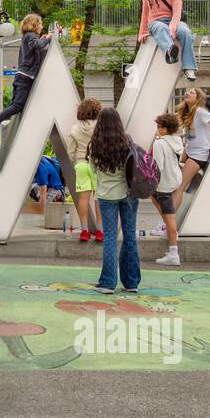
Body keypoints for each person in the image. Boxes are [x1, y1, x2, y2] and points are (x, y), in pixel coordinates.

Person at [89, 108, 140, 294]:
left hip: (106, 194)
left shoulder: (95, 144)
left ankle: (108, 283)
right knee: (130, 235)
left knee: (110, 237)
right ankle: (131, 282)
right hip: (128, 194)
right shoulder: (127, 141)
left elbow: (93, 170)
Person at [0, 14, 52, 131]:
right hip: (25, 77)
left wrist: (41, 39)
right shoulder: (30, 36)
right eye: (40, 23)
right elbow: (37, 45)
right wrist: (47, 38)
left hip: (21, 75)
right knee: (17, 106)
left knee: (14, 105)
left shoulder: (27, 37)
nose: (42, 26)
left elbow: (34, 47)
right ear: (34, 24)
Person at [137, 0, 197, 82]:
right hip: (156, 22)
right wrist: (142, 33)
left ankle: (189, 68)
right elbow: (145, 14)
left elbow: (176, 14)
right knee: (161, 28)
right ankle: (170, 52)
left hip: (175, 20)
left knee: (185, 31)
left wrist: (172, 30)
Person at [172, 87, 210, 212]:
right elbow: (191, 136)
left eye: (191, 92)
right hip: (191, 154)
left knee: (179, 188)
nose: (187, 93)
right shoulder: (188, 112)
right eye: (187, 92)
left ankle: (166, 224)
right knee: (178, 187)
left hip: (198, 155)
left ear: (198, 98)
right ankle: (170, 222)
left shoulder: (200, 111)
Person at [66, 98, 104, 242]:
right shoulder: (100, 127)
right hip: (97, 164)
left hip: (81, 164)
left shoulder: (75, 129)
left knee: (83, 198)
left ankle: (84, 230)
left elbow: (70, 152)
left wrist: (77, 161)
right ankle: (100, 231)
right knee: (99, 197)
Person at [149, 113, 184, 266]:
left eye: (159, 127)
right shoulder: (177, 141)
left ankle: (173, 253)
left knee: (169, 217)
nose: (157, 129)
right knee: (164, 211)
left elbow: (158, 167)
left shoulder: (160, 143)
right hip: (175, 180)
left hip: (163, 184)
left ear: (164, 129)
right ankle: (169, 231)